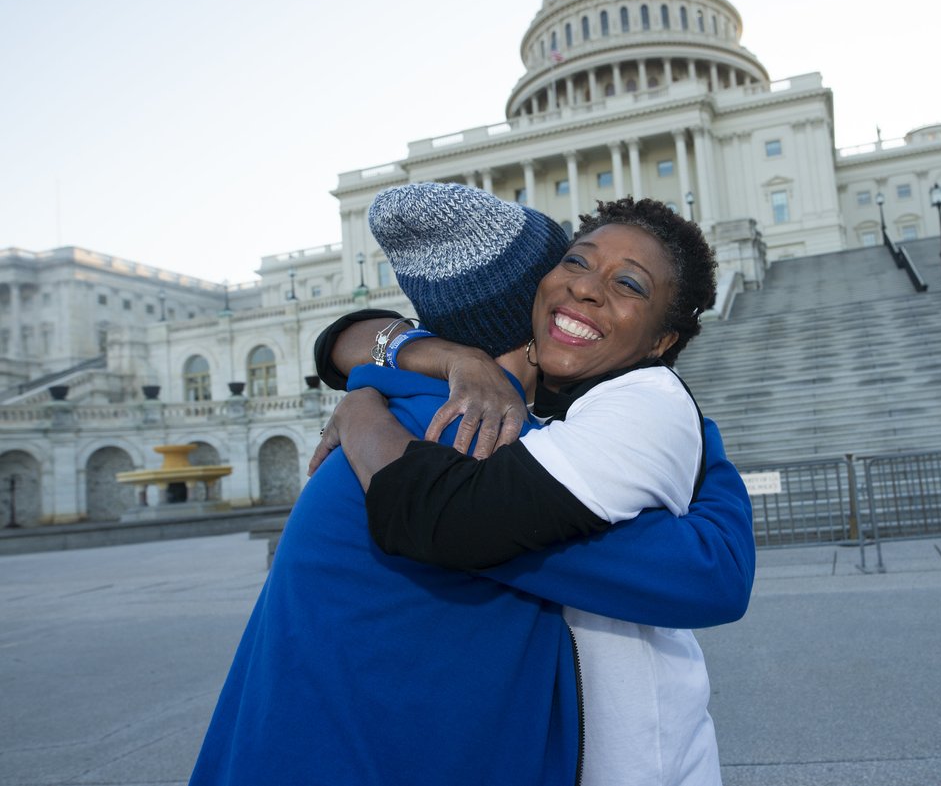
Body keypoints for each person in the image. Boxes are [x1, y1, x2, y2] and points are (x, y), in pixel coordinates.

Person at [189, 182, 755, 786]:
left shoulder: (404, 409)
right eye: (572, 263)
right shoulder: (476, 444)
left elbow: (343, 342)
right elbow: (706, 573)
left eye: (625, 282)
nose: (583, 288)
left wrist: (364, 401)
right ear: (533, 309)